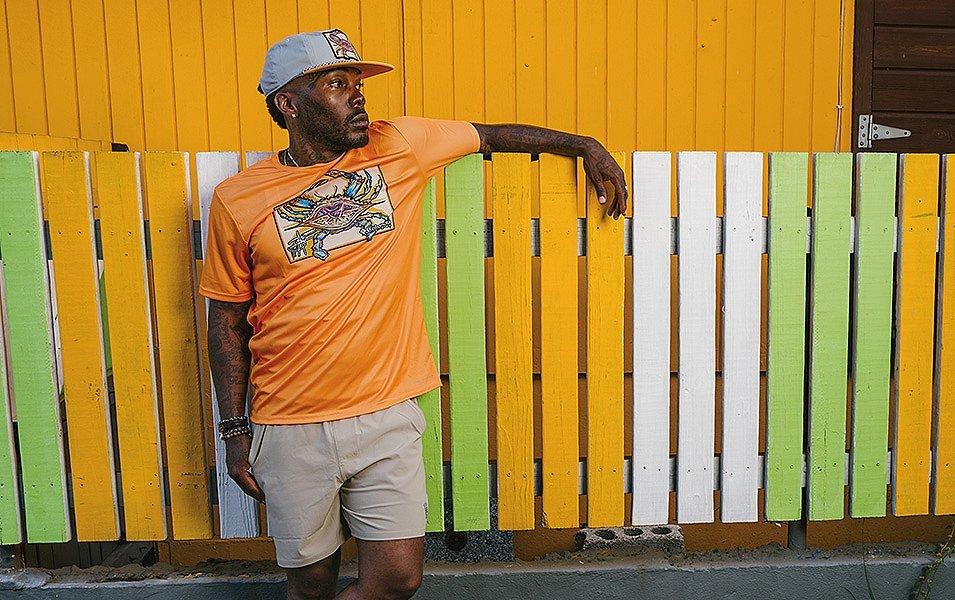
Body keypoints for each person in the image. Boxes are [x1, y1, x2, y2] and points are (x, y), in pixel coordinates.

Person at [200, 29, 627, 600]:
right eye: (335, 84)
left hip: (387, 413)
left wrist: (583, 144)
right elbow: (226, 317)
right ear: (288, 103)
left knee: (398, 581)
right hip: (290, 422)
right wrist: (233, 430)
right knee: (310, 585)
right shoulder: (238, 199)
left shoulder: (398, 145)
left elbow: (491, 135)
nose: (357, 97)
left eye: (358, 84)